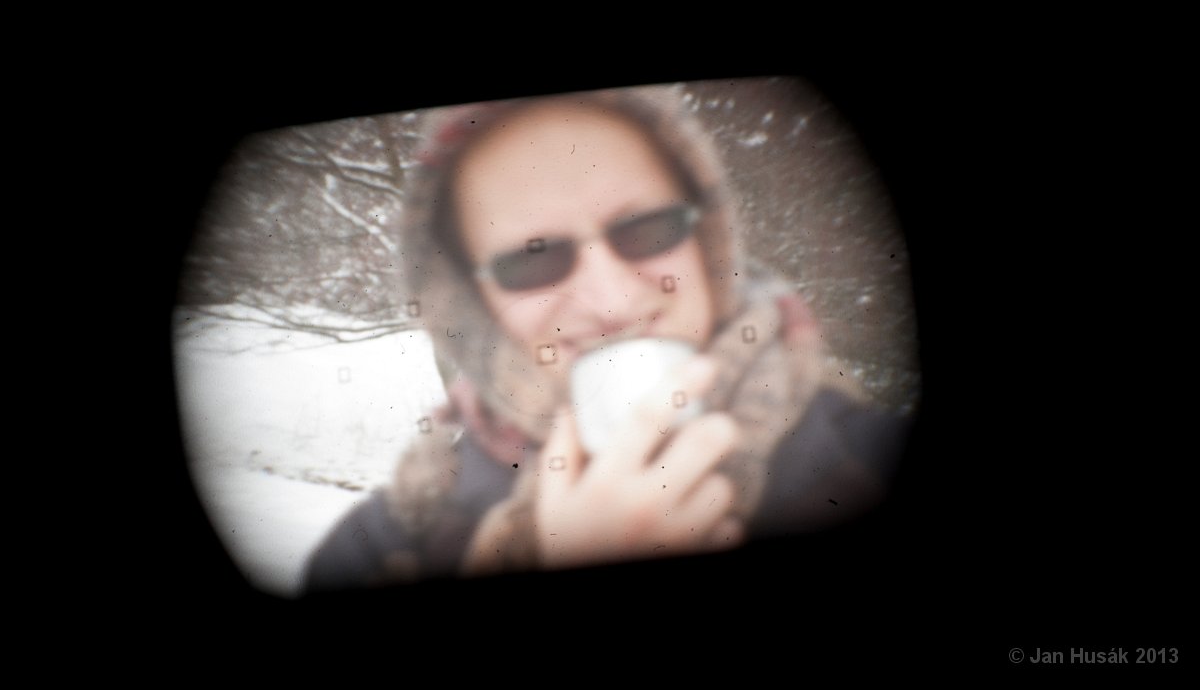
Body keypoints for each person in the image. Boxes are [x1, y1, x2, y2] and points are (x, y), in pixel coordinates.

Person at [303, 84, 910, 592]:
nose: (612, 302)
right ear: (474, 301)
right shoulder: (381, 547)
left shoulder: (873, 459)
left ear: (707, 241)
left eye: (648, 229)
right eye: (533, 259)